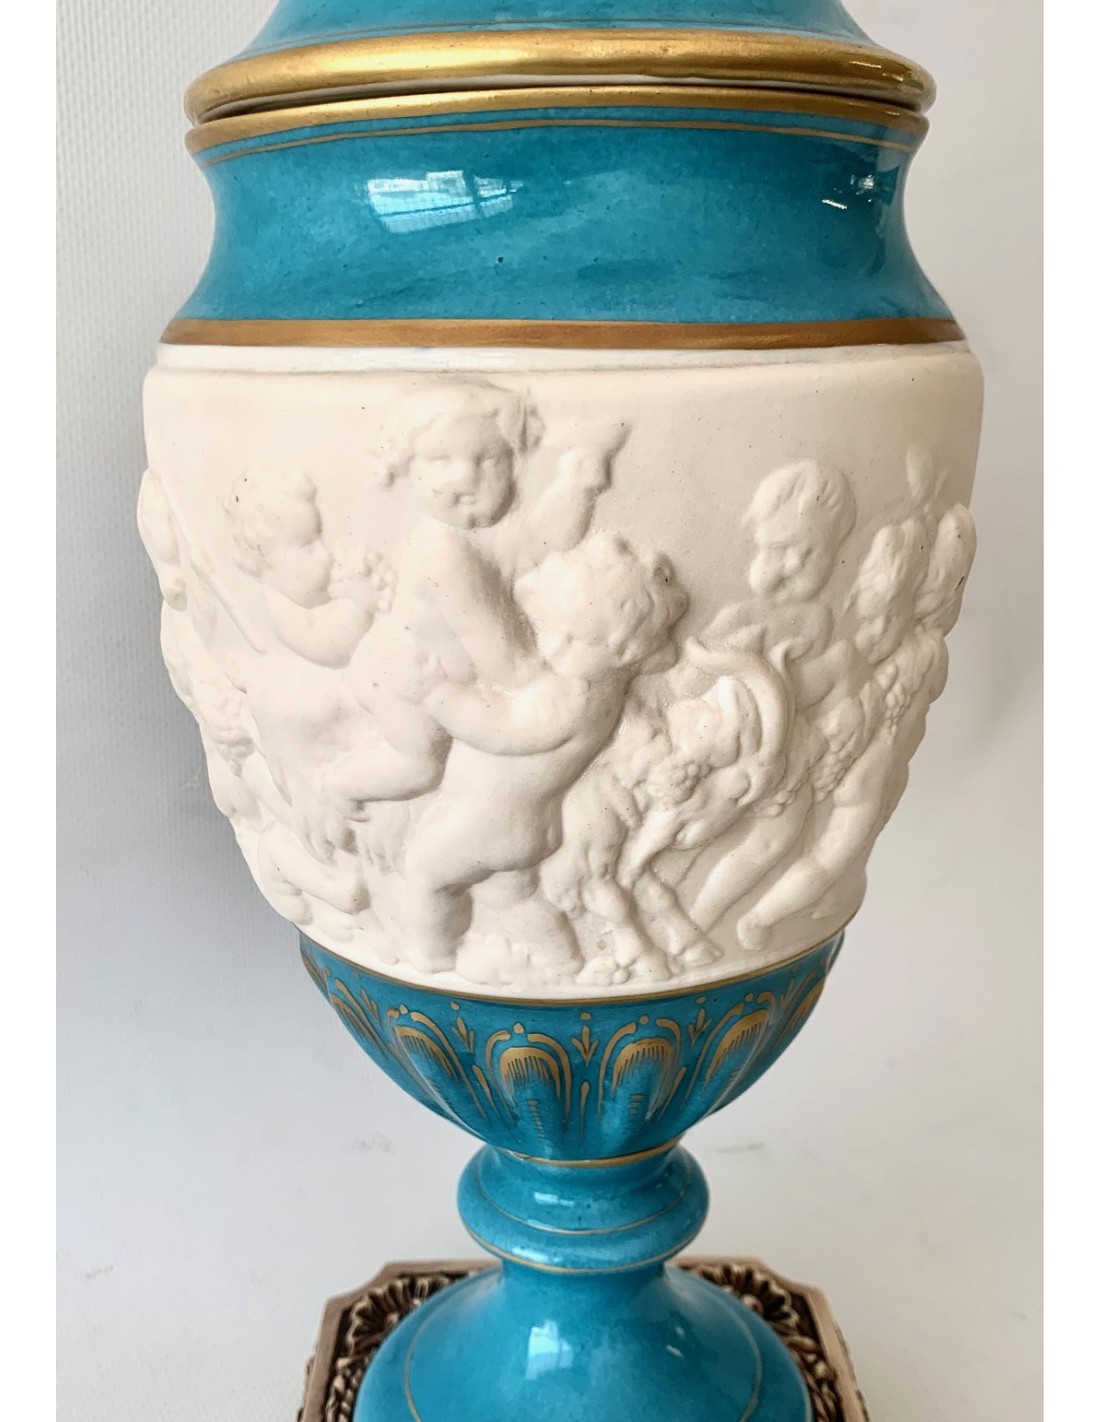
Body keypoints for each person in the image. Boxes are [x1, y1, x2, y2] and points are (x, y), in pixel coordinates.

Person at [398, 531, 687, 976]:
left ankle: (434, 955)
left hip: (487, 821)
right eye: (552, 630)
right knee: (510, 895)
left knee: (425, 874)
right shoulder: (606, 686)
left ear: (624, 651)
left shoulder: (572, 697)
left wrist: (438, 696)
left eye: (575, 640)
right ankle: (562, 959)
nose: (553, 648)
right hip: (525, 827)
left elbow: (501, 729)